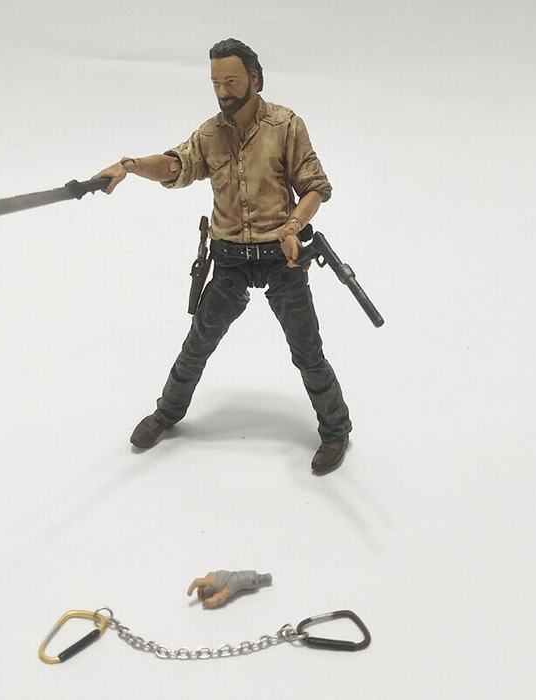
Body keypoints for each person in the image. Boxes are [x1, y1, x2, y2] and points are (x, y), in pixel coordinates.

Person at [93, 38, 352, 474]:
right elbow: (175, 165)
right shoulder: (211, 135)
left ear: (254, 78)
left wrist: (292, 227)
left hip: (281, 256)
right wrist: (131, 166)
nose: (222, 91)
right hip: (230, 259)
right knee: (197, 344)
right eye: (215, 82)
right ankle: (167, 413)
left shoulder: (286, 125)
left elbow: (314, 187)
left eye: (231, 81)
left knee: (307, 350)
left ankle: (336, 429)